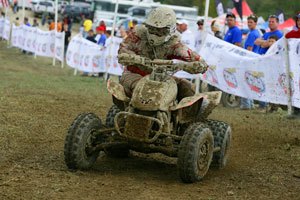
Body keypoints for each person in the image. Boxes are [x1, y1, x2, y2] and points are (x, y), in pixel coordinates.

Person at [118, 7, 208, 103]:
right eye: (152, 29)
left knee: (188, 88)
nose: (155, 33)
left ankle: (183, 116)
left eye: (160, 31)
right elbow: (123, 50)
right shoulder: (137, 36)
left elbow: (189, 54)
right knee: (142, 87)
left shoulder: (173, 43)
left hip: (161, 77)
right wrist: (136, 58)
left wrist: (200, 63)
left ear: (170, 30)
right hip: (134, 74)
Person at [255, 15, 283, 110]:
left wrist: (264, 43)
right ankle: (264, 105)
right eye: (269, 21)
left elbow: (271, 45)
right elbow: (256, 42)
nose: (270, 23)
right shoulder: (267, 33)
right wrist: (265, 43)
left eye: (273, 22)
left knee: (269, 83)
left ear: (277, 23)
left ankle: (269, 105)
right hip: (262, 61)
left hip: (271, 63)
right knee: (262, 82)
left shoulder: (279, 34)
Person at [240, 14, 261, 110]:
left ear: (255, 23)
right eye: (248, 22)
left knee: (245, 82)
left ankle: (246, 105)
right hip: (255, 61)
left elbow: (249, 49)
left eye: (251, 22)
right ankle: (250, 104)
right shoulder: (255, 32)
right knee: (249, 83)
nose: (249, 24)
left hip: (249, 60)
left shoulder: (252, 34)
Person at [285, 12, 300, 119]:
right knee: (296, 86)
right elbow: (287, 36)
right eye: (298, 20)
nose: (299, 22)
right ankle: (297, 111)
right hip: (297, 65)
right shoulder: (296, 33)